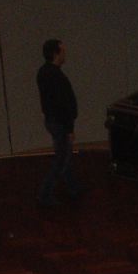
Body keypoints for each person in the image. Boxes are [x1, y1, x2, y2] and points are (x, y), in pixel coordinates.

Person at [36, 38, 80, 205]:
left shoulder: (43, 72)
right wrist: (70, 129)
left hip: (53, 121)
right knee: (62, 160)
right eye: (62, 51)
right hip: (60, 123)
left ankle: (74, 188)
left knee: (64, 155)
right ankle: (45, 195)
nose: (64, 54)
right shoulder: (56, 76)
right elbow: (63, 104)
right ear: (56, 53)